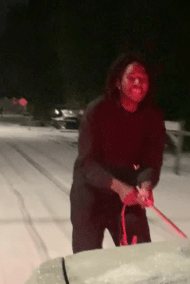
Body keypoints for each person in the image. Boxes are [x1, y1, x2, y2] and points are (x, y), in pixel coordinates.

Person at [70, 53, 166, 253]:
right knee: (86, 258)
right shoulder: (97, 111)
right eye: (131, 78)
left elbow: (151, 162)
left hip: (127, 193)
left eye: (144, 78)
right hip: (90, 191)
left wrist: (146, 186)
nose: (138, 82)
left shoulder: (153, 118)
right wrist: (117, 187)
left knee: (140, 254)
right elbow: (87, 162)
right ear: (117, 82)